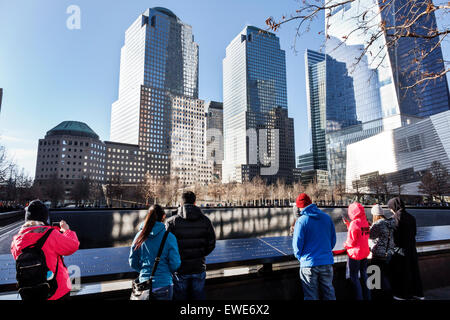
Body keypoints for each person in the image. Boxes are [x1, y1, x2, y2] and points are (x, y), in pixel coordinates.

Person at [10, 199, 80, 300]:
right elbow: (73, 245)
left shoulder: (16, 240)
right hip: (56, 291)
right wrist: (66, 230)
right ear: (44, 218)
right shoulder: (51, 234)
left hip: (29, 293)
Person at [166, 191, 216, 300]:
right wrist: (200, 254)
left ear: (181, 203)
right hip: (199, 267)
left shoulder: (171, 222)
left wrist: (176, 258)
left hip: (180, 269)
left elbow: (166, 246)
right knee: (198, 296)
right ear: (195, 202)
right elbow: (211, 243)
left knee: (180, 297)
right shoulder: (206, 221)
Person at [129, 204, 181, 300]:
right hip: (164, 284)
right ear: (163, 216)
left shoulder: (139, 236)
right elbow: (175, 264)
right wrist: (165, 271)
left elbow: (132, 261)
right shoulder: (169, 237)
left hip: (144, 284)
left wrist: (144, 270)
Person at [292, 193, 337, 300]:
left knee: (311, 296)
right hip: (326, 261)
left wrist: (301, 258)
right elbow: (333, 240)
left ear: (299, 207)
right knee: (329, 293)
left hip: (309, 263)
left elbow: (297, 245)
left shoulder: (301, 221)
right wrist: (325, 253)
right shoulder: (327, 218)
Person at [387, 197, 424, 300]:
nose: (390, 210)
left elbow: (393, 237)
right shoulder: (411, 217)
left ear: (393, 207)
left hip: (400, 250)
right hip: (412, 248)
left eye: (390, 207)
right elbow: (414, 233)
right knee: (414, 271)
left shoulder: (394, 219)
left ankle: (401, 295)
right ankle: (418, 293)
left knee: (401, 272)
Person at [343, 202, 371, 300]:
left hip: (355, 255)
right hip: (364, 253)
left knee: (354, 277)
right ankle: (368, 297)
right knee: (364, 276)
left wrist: (345, 245)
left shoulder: (354, 224)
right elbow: (360, 234)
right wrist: (348, 225)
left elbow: (351, 242)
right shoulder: (365, 222)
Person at [369, 204, 395, 300]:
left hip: (379, 254)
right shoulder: (391, 222)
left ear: (375, 215)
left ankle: (378, 296)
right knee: (386, 274)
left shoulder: (378, 224)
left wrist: (370, 226)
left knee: (376, 278)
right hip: (389, 253)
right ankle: (388, 294)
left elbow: (370, 236)